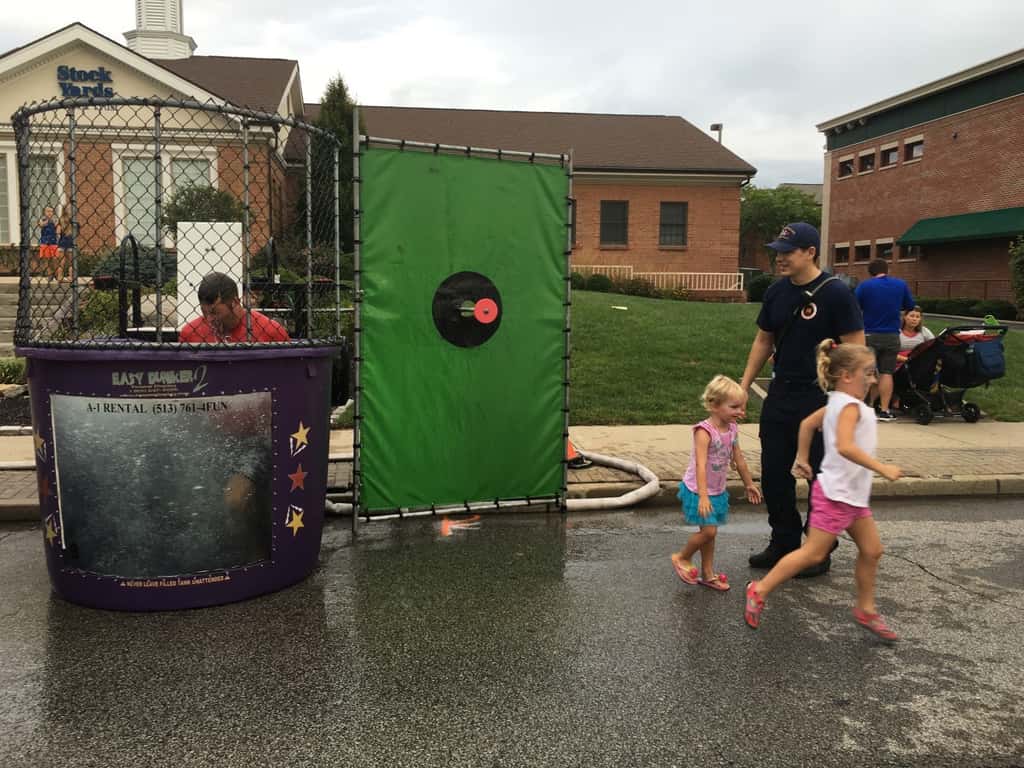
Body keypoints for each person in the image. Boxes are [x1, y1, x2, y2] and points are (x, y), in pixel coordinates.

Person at [744, 340, 902, 642]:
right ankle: (759, 589)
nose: (872, 379)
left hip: (852, 497)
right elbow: (844, 446)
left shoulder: (836, 403)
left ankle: (866, 609)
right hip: (835, 496)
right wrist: (882, 468)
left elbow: (806, 424)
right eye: (867, 373)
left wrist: (802, 458)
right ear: (846, 376)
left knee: (872, 550)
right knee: (813, 552)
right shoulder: (849, 408)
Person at [740, 222, 864, 577]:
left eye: (788, 252)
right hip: (781, 394)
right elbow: (764, 340)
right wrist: (745, 384)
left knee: (819, 476)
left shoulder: (836, 294)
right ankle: (783, 540)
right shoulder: (777, 292)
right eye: (777, 252)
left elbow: (856, 347)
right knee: (775, 474)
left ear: (810, 252)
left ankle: (817, 546)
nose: (780, 258)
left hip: (820, 397)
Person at [671, 375, 762, 591]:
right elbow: (700, 465)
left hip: (717, 490)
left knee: (711, 532)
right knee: (708, 532)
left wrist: (749, 483)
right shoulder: (704, 431)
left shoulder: (732, 429)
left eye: (743, 407)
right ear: (714, 405)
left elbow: (738, 459)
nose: (741, 412)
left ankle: (708, 574)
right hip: (698, 490)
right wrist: (703, 496)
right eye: (735, 407)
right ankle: (681, 557)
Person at [854, 259, 915, 421]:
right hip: (892, 335)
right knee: (887, 373)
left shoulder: (865, 286)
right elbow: (910, 304)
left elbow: (854, 306)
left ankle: (862, 408)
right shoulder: (900, 285)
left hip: (870, 334)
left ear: (871, 272)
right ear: (887, 270)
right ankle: (885, 410)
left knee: (867, 371)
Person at [179, 272, 290, 343]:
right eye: (204, 312)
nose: (209, 319)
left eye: (214, 312)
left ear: (235, 302)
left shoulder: (271, 331)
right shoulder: (190, 334)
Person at [37, 206, 59, 279]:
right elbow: (41, 224)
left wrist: (52, 221)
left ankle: (56, 274)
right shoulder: (42, 219)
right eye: (48, 211)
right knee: (46, 259)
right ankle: (49, 275)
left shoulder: (55, 219)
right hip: (44, 241)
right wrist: (48, 220)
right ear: (44, 212)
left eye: (51, 211)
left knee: (54, 259)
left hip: (53, 242)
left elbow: (57, 226)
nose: (49, 213)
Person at [55, 207, 73, 283]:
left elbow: (58, 232)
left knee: (61, 262)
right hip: (70, 243)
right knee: (71, 262)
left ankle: (60, 277)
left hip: (62, 243)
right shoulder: (72, 220)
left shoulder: (60, 220)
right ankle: (71, 277)